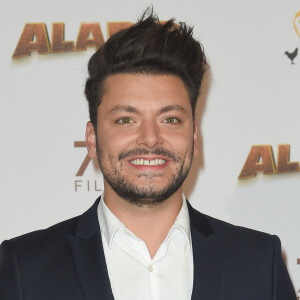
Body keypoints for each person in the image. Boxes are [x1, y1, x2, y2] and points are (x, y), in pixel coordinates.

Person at [0, 9, 296, 300]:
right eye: (126, 120)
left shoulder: (258, 263)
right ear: (91, 139)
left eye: (170, 119)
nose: (151, 139)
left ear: (194, 136)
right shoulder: (25, 267)